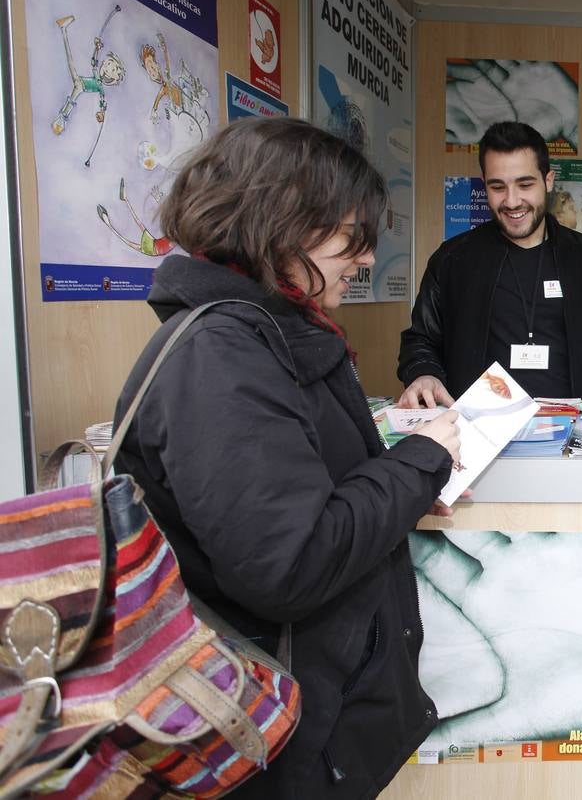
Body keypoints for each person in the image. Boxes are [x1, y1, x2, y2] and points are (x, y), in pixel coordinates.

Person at [112, 117, 462, 799]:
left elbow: (303, 489)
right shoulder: (223, 359)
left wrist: (405, 487)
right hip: (270, 732)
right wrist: (419, 461)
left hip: (302, 716)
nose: (364, 260)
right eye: (352, 238)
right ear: (284, 224)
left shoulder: (269, 335)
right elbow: (288, 562)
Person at [398, 121, 582, 406]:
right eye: (498, 187)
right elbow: (420, 340)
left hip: (574, 436)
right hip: (479, 437)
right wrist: (424, 372)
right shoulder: (454, 260)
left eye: (525, 184)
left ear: (548, 180)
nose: (512, 201)